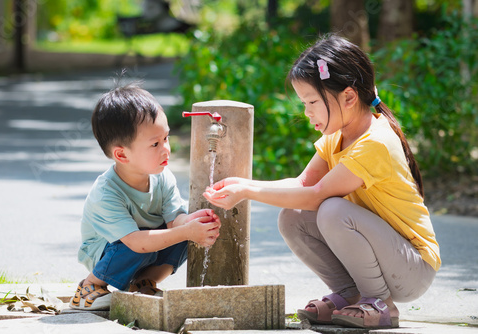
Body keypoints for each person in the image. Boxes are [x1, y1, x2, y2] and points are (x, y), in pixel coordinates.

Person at [203, 34, 440, 329]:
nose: (307, 112)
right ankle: (350, 295)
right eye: (304, 102)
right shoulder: (336, 137)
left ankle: (380, 304)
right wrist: (242, 182)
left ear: (349, 97)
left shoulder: (375, 142)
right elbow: (303, 183)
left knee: (331, 210)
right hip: (388, 258)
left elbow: (316, 195)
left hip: (413, 267)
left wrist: (248, 191)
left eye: (312, 101)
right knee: (292, 217)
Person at [70, 83, 221, 311]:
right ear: (121, 154)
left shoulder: (162, 177)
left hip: (143, 245)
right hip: (109, 250)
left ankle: (143, 283)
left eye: (166, 138)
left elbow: (174, 222)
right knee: (140, 242)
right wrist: (184, 231)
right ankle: (89, 286)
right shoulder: (106, 192)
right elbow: (136, 243)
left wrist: (192, 223)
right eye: (155, 144)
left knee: (183, 237)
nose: (167, 149)